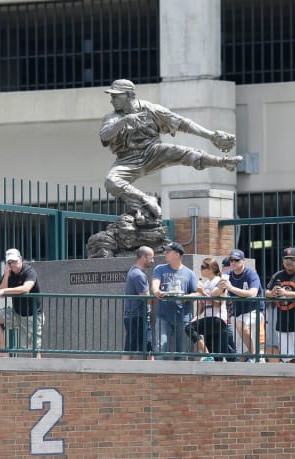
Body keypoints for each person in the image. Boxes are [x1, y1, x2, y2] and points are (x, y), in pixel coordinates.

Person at [100, 79, 242, 223]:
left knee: (184, 152)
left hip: (153, 152)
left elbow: (183, 123)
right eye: (112, 96)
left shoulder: (150, 109)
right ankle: (145, 202)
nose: (112, 100)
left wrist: (211, 136)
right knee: (111, 182)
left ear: (129, 95)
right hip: (126, 160)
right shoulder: (112, 117)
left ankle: (223, 162)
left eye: (116, 96)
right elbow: (104, 135)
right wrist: (124, 121)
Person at [149, 242, 199, 360]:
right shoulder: (159, 269)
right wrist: (156, 291)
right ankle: (159, 376)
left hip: (183, 317)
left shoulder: (189, 273)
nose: (165, 253)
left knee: (182, 353)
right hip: (163, 317)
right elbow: (155, 283)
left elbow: (198, 293)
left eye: (168, 251)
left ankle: (182, 378)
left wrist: (186, 298)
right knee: (161, 347)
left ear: (177, 254)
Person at [0, 248, 44, 358]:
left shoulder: (29, 271)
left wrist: (4, 291)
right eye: (9, 262)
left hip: (32, 316)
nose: (12, 265)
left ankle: (37, 371)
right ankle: (3, 351)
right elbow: (0, 292)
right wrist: (5, 276)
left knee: (34, 350)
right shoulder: (10, 274)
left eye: (14, 261)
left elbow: (26, 288)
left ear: (20, 259)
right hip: (17, 313)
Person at [219, 248, 264, 359]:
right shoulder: (228, 273)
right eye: (231, 260)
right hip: (237, 312)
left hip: (254, 310)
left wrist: (231, 288)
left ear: (243, 261)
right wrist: (218, 288)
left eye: (237, 260)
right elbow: (217, 292)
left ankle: (254, 354)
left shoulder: (251, 274)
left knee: (241, 325)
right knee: (239, 350)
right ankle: (248, 362)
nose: (233, 262)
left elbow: (253, 293)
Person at [190, 257, 235, 360]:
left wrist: (202, 293)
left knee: (227, 353)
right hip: (208, 318)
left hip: (218, 319)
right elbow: (202, 304)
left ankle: (206, 354)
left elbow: (217, 303)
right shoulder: (206, 283)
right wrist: (198, 315)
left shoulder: (219, 282)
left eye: (203, 267)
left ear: (211, 268)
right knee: (215, 354)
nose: (200, 269)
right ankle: (209, 358)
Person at [122, 246, 154, 360]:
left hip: (139, 316)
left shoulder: (133, 271)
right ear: (144, 258)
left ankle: (153, 374)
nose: (153, 261)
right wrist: (158, 296)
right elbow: (146, 299)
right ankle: (122, 373)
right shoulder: (139, 275)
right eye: (151, 258)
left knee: (149, 348)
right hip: (137, 317)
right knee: (130, 348)